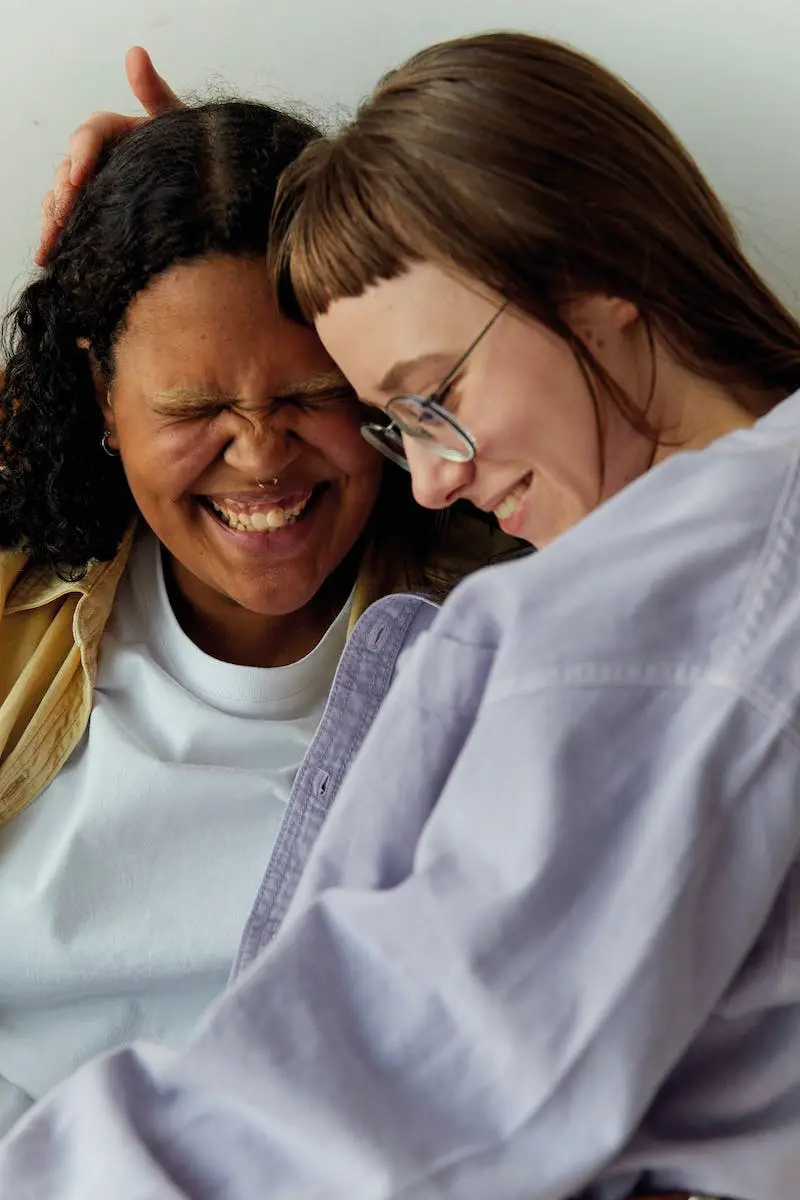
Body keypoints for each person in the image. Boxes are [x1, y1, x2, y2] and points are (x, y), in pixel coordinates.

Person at [4, 30, 788, 1199]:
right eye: (397, 421)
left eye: (427, 396)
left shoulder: (614, 634)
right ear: (101, 392)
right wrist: (182, 215)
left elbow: (422, 1089)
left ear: (591, 286)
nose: (430, 476)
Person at [0, 90, 509, 1138]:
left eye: (312, 393)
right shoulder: (20, 594)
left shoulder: (496, 636)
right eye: (194, 408)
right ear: (100, 395)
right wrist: (163, 204)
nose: (261, 455)